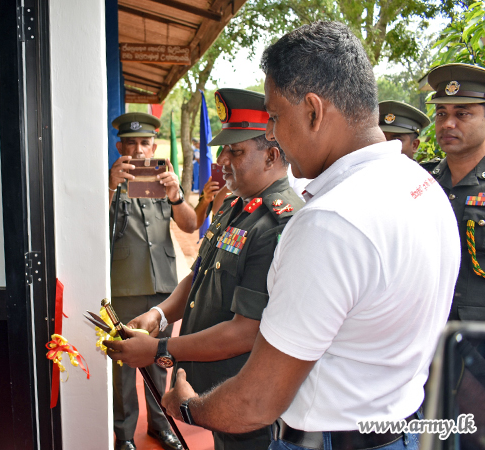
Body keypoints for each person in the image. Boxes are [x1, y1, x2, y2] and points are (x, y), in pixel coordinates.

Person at [159, 22, 460, 450]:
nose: (275, 136)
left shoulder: (330, 222)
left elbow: (256, 402)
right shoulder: (422, 186)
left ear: (314, 111)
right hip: (400, 430)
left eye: (276, 118)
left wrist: (189, 407)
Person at [105, 88, 303, 450]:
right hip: (218, 396)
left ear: (273, 154)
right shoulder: (235, 208)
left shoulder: (277, 222)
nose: (223, 160)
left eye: (236, 151)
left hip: (248, 401)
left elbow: (245, 333)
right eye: (224, 149)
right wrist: (158, 314)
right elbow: (198, 276)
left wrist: (159, 349)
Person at [108, 112, 196, 450]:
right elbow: (94, 227)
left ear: (154, 145)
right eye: (131, 143)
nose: (139, 150)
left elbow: (189, 226)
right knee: (123, 366)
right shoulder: (110, 182)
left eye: (145, 143)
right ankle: (124, 434)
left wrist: (175, 195)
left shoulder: (164, 181)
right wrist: (112, 184)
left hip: (163, 288)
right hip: (125, 287)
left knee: (160, 362)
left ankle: (161, 426)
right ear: (119, 146)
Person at [420, 63, 485, 321]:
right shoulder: (419, 181)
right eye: (441, 113)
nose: (448, 124)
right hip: (425, 334)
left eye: (462, 114)